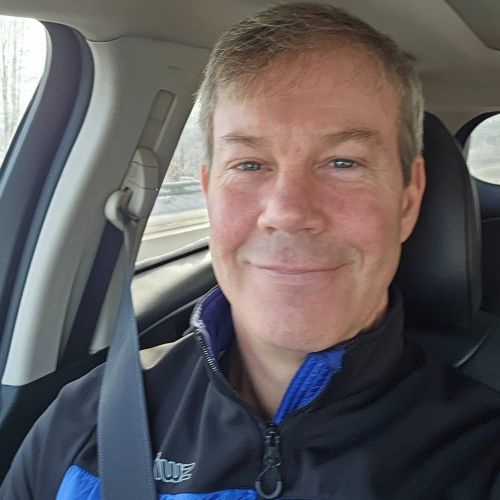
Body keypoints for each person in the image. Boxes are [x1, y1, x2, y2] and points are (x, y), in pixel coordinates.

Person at [3, 2, 500, 499]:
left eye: (343, 162)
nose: (287, 211)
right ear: (209, 192)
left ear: (408, 200)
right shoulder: (90, 420)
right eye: (248, 165)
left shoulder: (479, 453)